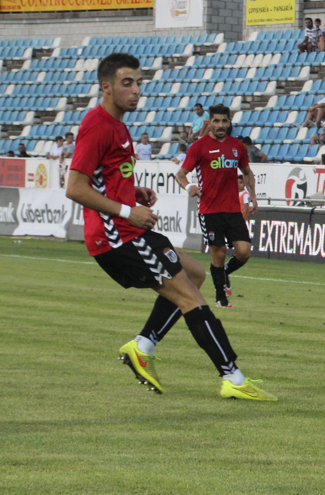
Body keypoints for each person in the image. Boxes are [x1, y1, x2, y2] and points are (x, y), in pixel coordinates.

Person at [66, 53, 273, 401]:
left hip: (128, 230)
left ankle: (143, 346)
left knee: (194, 274)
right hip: (117, 236)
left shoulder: (118, 126)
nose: (136, 90)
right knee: (191, 298)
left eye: (138, 82)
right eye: (127, 83)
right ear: (106, 87)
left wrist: (133, 193)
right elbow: (75, 187)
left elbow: (105, 179)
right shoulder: (97, 125)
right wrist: (126, 210)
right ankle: (232, 377)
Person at [177, 104, 256, 309]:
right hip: (209, 209)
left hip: (232, 209)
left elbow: (247, 172)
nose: (220, 125)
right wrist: (189, 187)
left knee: (244, 251)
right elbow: (180, 175)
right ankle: (221, 297)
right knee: (218, 252)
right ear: (209, 122)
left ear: (229, 122)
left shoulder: (236, 146)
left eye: (224, 121)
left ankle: (225, 273)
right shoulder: (199, 147)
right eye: (216, 121)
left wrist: (253, 196)